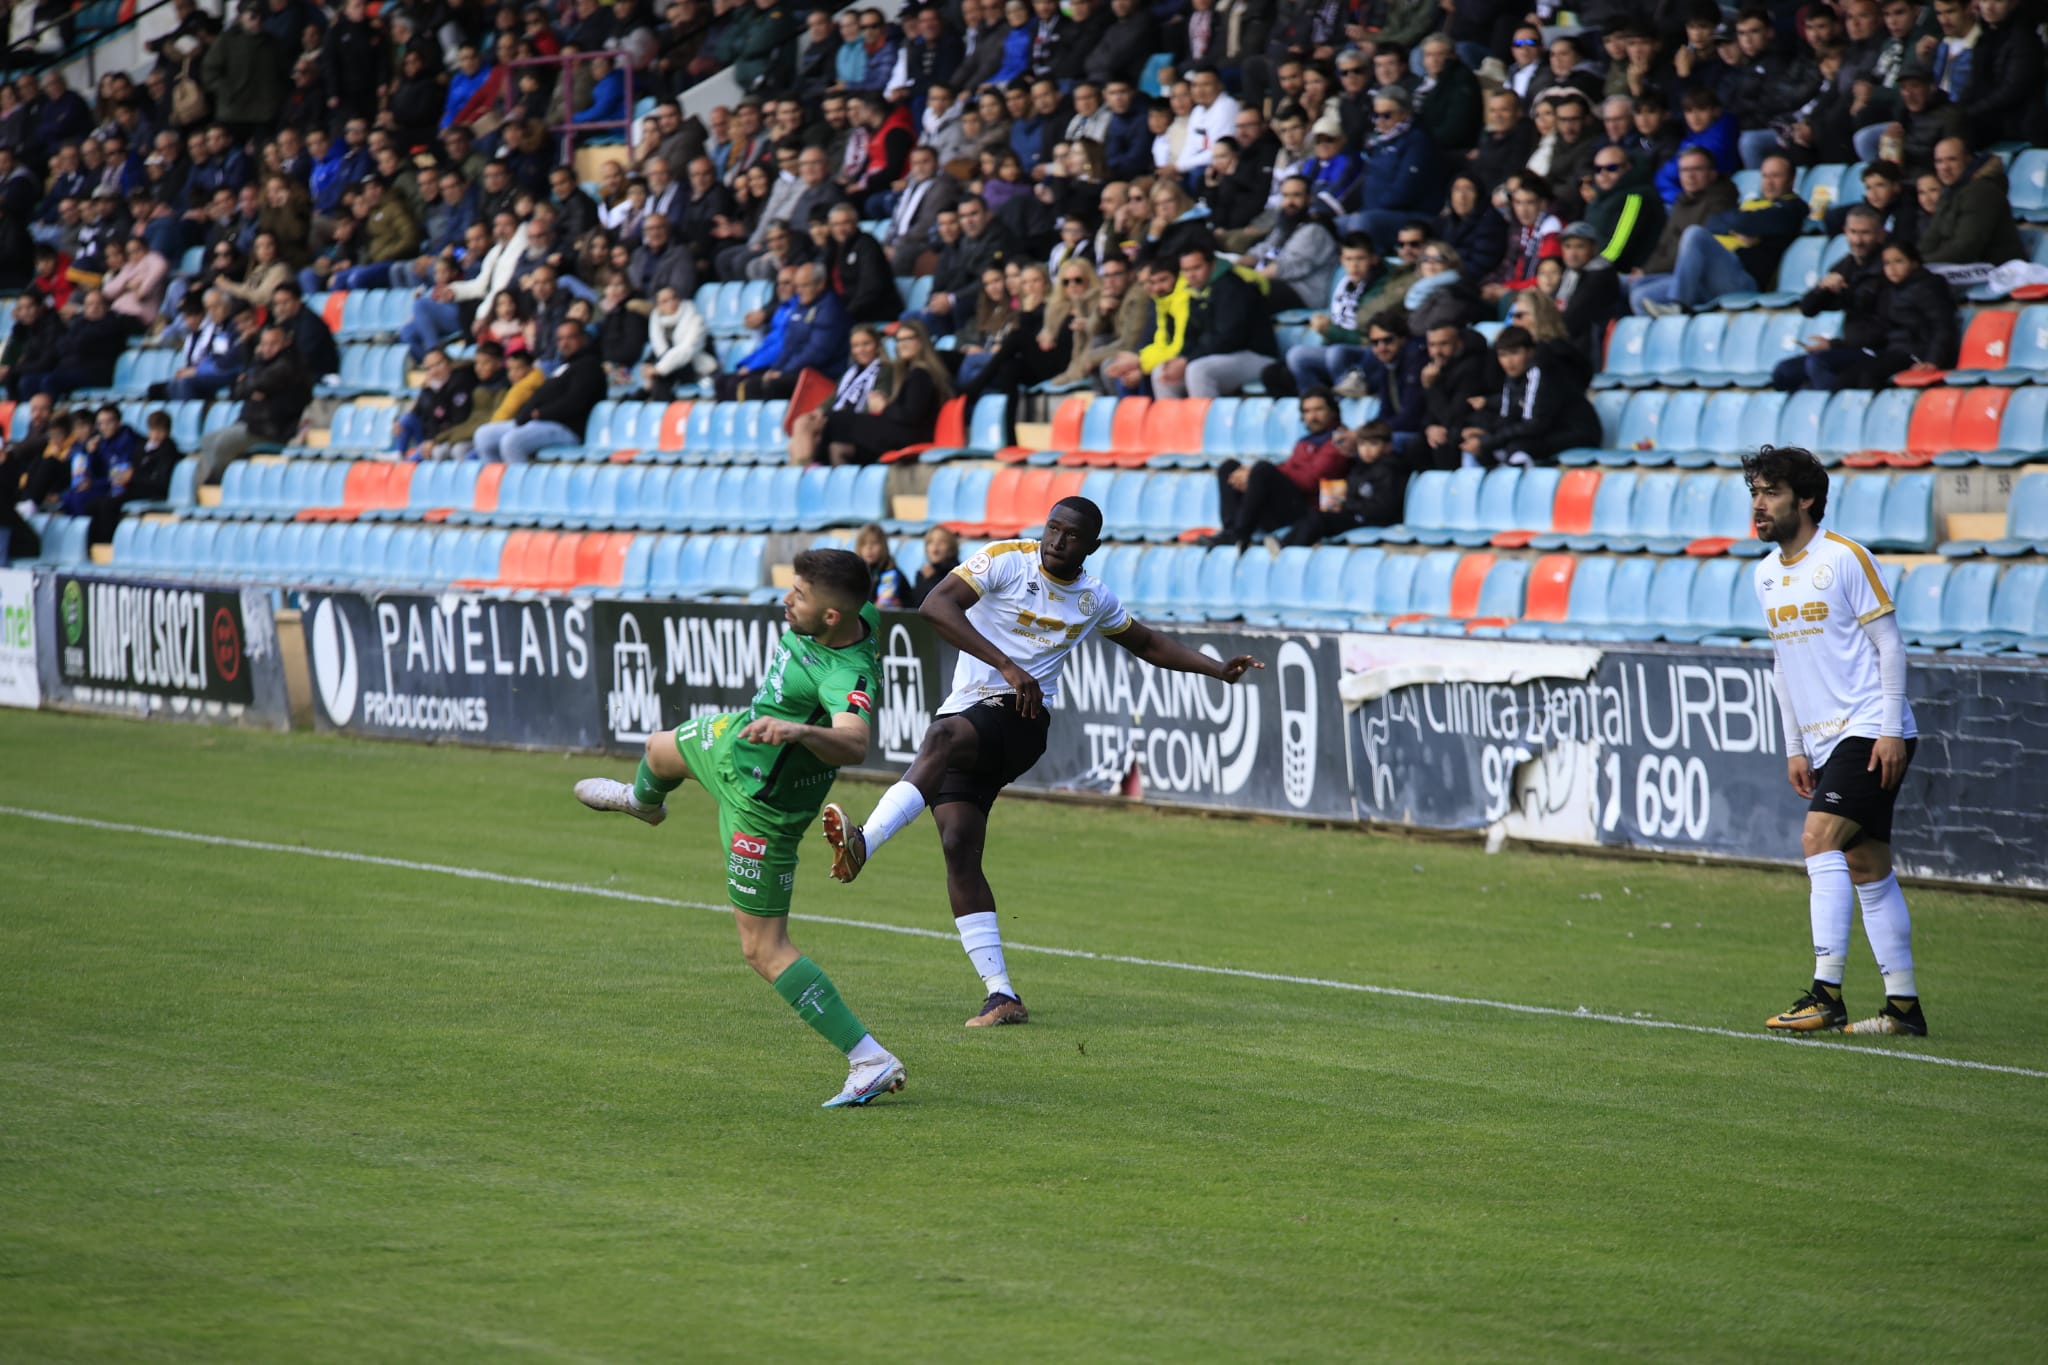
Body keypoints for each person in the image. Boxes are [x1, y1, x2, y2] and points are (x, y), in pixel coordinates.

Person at [818, 497, 1261, 1026]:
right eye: (1053, 528)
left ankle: (864, 842)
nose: (1058, 540)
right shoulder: (1006, 560)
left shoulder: (1093, 598)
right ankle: (1001, 995)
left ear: (1091, 547)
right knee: (959, 845)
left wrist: (1217, 670)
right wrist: (1006, 663)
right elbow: (936, 606)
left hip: (1021, 720)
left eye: (1072, 535)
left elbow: (1146, 643)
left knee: (939, 739)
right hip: (975, 712)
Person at [573, 549, 907, 1107]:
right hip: (737, 742)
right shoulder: (854, 612)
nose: (786, 599)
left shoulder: (846, 672)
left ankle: (869, 1059)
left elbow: (855, 741)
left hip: (765, 810)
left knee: (763, 949)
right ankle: (642, 803)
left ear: (830, 617)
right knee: (658, 748)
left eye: (798, 595)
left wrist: (799, 732)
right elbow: (850, 583)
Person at [1747, 444, 1927, 1039]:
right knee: (1865, 864)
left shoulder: (1845, 557)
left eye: (1770, 492)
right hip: (1826, 741)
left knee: (1818, 837)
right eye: (1754, 493)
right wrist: (1795, 746)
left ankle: (1826, 994)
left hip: (1869, 727)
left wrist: (1891, 727)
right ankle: (1903, 1008)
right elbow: (1783, 665)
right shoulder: (1766, 574)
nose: (1759, 504)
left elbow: (1889, 645)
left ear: (1807, 500)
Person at [1201, 388, 1347, 546]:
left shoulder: (1339, 441)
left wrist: (1258, 474)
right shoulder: (1306, 441)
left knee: (1262, 470)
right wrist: (1248, 473)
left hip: (1308, 514)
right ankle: (1230, 531)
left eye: (1319, 409)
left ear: (1333, 412)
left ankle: (1240, 533)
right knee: (1229, 468)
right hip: (1283, 508)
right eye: (1307, 411)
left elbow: (1311, 480)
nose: (1312, 417)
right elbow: (1289, 468)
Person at [1460, 326, 1600, 468]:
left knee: (1517, 448)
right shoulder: (1512, 377)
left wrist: (1489, 441)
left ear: (1530, 352)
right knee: (1487, 449)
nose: (1508, 361)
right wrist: (1487, 434)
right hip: (1550, 431)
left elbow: (1535, 424)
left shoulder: (1540, 371)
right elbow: (1507, 419)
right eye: (1502, 355)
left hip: (1578, 433)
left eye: (1515, 353)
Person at [472, 322, 607, 463]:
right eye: (560, 339)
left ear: (584, 338)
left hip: (567, 427)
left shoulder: (589, 366)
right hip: (540, 422)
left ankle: (519, 484)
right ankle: (498, 482)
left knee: (512, 442)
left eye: (570, 338)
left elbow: (575, 401)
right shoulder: (564, 366)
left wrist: (540, 413)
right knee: (484, 436)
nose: (564, 343)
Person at [1151, 246, 1275, 399]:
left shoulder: (1232, 288)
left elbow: (1228, 338)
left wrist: (1187, 360)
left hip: (1256, 356)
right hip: (1220, 356)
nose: (1191, 275)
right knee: (1161, 372)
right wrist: (1180, 359)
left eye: (1197, 268)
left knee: (1198, 370)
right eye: (1186, 270)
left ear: (1212, 266)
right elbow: (1190, 336)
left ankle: (1205, 423)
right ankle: (1172, 423)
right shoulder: (1194, 292)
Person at [823, 319, 950, 464]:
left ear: (921, 341)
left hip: (912, 436)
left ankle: (809, 465)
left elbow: (911, 416)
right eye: (899, 340)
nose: (902, 344)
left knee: (835, 420)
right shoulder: (910, 372)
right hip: (904, 432)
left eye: (908, 338)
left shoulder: (921, 373)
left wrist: (884, 407)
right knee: (838, 448)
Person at [1282, 420, 1406, 544]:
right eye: (1362, 444)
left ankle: (1285, 549)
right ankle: (1284, 547)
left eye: (1373, 444)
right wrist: (1340, 503)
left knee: (1319, 519)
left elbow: (1383, 508)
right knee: (1313, 514)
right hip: (1356, 517)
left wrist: (1347, 504)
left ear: (1388, 446)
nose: (1366, 450)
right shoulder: (1360, 468)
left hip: (1371, 522)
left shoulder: (1389, 471)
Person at [853, 522, 909, 607]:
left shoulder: (891, 573)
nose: (869, 548)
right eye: (864, 544)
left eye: (874, 543)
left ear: (884, 546)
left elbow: (882, 606)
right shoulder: (857, 573)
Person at [905, 525, 961, 606]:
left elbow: (944, 604)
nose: (935, 546)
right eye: (930, 542)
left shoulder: (957, 573)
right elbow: (916, 605)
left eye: (942, 542)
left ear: (951, 549)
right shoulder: (923, 573)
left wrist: (931, 580)